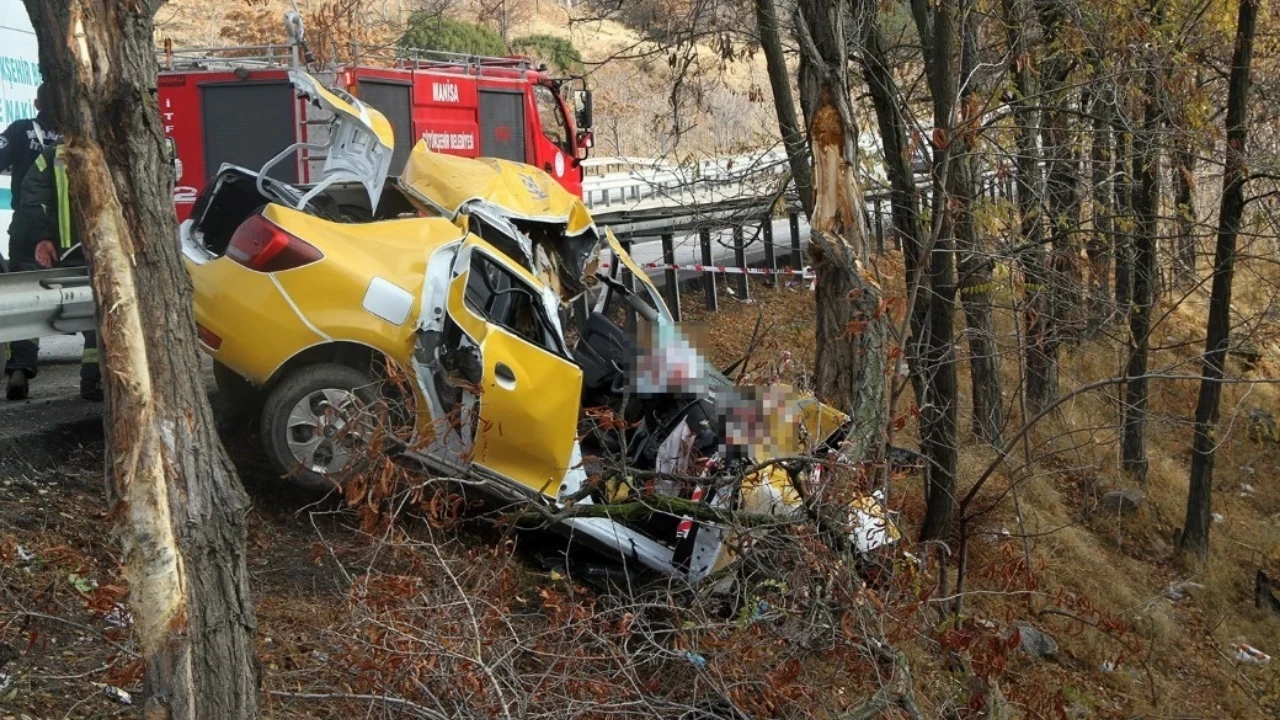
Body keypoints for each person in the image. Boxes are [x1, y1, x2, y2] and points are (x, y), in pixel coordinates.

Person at [5, 143, 101, 402]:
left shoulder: (50, 153)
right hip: (71, 249)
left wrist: (40, 238)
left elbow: (32, 195)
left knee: (28, 308)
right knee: (96, 312)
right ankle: (94, 383)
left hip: (33, 243)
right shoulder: (101, 149)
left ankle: (19, 371)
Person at [0, 82, 63, 269]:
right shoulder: (76, 138)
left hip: (27, 225)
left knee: (26, 287)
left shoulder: (19, 130)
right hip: (68, 231)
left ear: (37, 104)